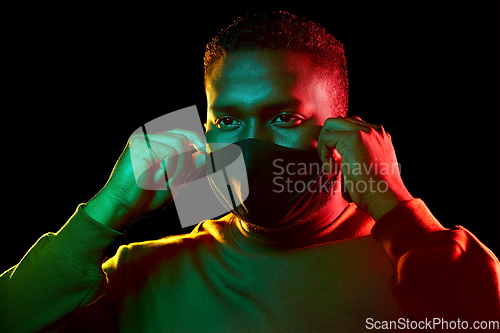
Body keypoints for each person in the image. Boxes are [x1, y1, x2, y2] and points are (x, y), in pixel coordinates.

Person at [1, 11, 499, 332]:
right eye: (228, 120)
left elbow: (472, 320)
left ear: (345, 132)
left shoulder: (420, 260)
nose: (249, 143)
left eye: (285, 117)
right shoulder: (138, 273)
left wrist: (389, 199)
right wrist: (107, 209)